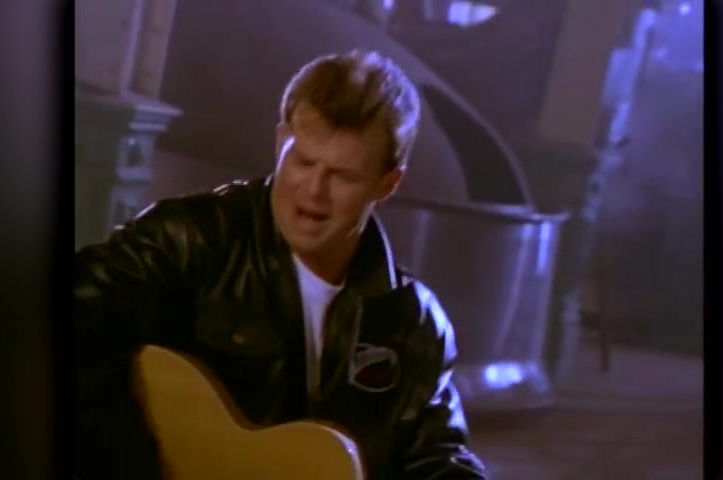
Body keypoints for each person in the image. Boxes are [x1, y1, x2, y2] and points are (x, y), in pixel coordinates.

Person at [74, 49, 487, 480]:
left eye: (342, 175)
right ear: (279, 141)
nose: (314, 190)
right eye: (303, 161)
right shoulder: (189, 241)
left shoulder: (414, 323)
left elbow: (435, 457)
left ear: (388, 183)